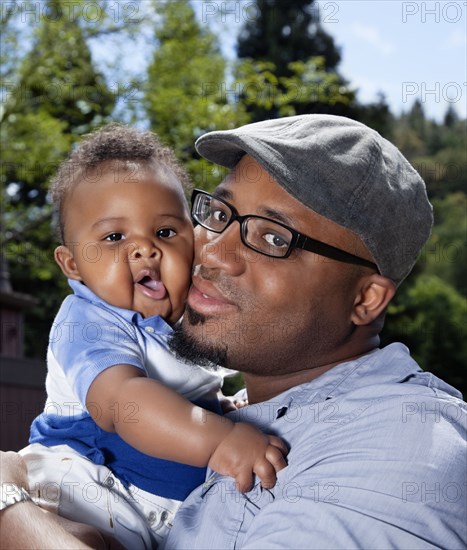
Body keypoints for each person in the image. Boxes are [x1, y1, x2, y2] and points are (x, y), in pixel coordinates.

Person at [1, 114, 466, 549]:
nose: (212, 251)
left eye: (273, 238)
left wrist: (10, 511)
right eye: (220, 214)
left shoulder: (404, 446)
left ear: (366, 299)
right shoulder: (116, 327)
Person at [10, 124, 287, 549]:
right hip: (85, 484)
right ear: (72, 265)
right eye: (114, 237)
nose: (144, 249)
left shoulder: (190, 320)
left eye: (164, 232)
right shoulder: (89, 320)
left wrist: (223, 407)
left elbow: (187, 391)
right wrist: (220, 436)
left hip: (158, 510)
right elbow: (124, 404)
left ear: (194, 241)